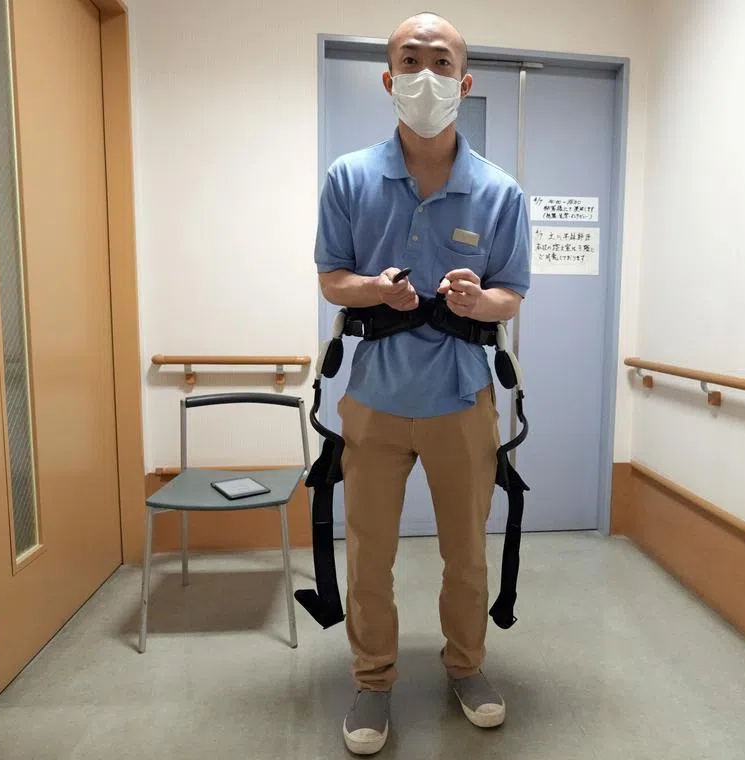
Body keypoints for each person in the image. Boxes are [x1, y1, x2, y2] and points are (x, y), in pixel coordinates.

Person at [312, 11, 531, 756]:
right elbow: (331, 281)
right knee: (369, 552)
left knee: (466, 552)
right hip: (373, 400)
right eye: (411, 60)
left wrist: (479, 301)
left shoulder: (499, 192)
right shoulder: (349, 178)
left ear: (465, 84)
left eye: (442, 62)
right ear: (389, 79)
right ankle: (373, 681)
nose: (426, 75)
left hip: (462, 401)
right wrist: (374, 288)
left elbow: (512, 295)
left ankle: (466, 668)